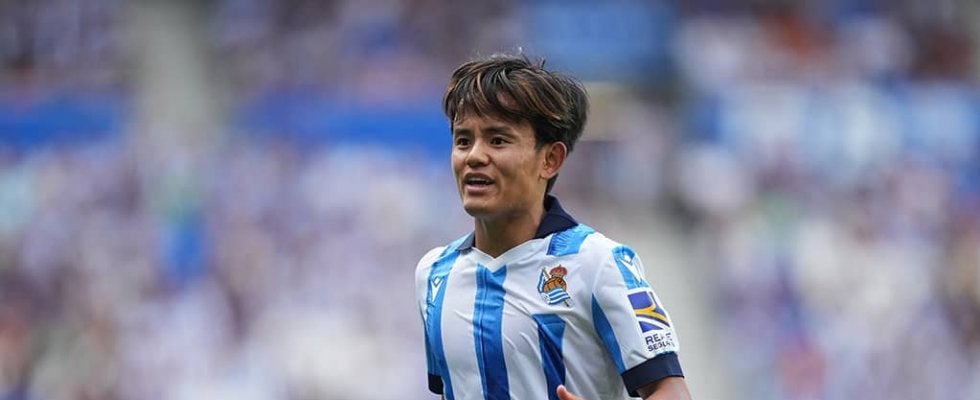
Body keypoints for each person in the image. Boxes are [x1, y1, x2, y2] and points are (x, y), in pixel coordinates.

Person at [415, 54, 691, 400]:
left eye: (497, 140)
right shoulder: (434, 274)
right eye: (463, 141)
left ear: (550, 159)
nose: (474, 156)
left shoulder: (598, 263)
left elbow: (671, 390)